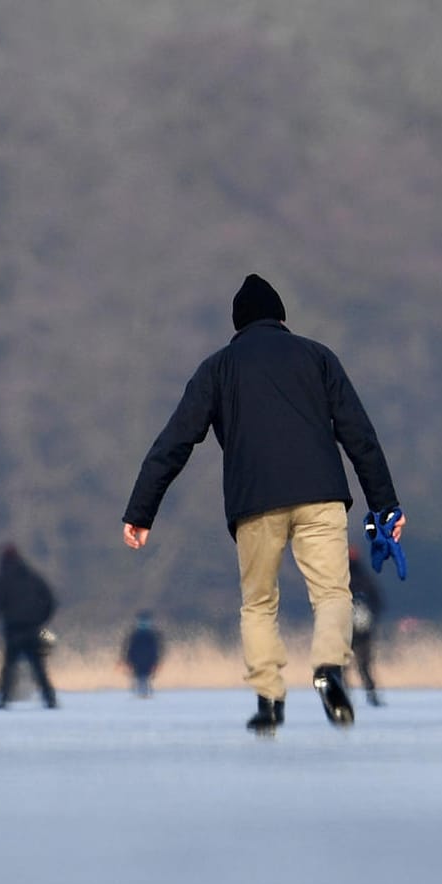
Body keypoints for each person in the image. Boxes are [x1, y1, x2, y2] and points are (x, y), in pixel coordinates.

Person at [121, 274, 402, 735]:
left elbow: (175, 441)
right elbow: (358, 433)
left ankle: (269, 699)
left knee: (258, 605)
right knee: (333, 594)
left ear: (237, 325)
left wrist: (141, 511)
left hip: (255, 502)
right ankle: (329, 667)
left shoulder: (217, 368)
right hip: (322, 496)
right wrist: (385, 504)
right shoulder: (317, 357)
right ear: (282, 317)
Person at [0, 544, 58, 710]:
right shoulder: (33, 577)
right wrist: (41, 619)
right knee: (38, 666)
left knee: (8, 666)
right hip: (33, 629)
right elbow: (49, 600)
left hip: (13, 630)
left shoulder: (2, 579)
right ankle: (50, 699)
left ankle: (2, 700)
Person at [347, 545, 384, 707]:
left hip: (346, 630)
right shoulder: (367, 580)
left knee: (343, 665)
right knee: (364, 665)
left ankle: (344, 697)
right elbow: (379, 603)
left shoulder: (341, 580)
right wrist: (371, 619)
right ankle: (372, 695)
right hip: (364, 630)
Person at [121, 611, 164, 698]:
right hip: (138, 660)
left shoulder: (152, 634)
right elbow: (128, 648)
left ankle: (144, 692)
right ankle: (141, 692)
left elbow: (158, 648)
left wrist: (157, 660)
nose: (144, 623)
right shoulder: (135, 634)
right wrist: (127, 659)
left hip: (147, 660)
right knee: (140, 677)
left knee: (144, 677)